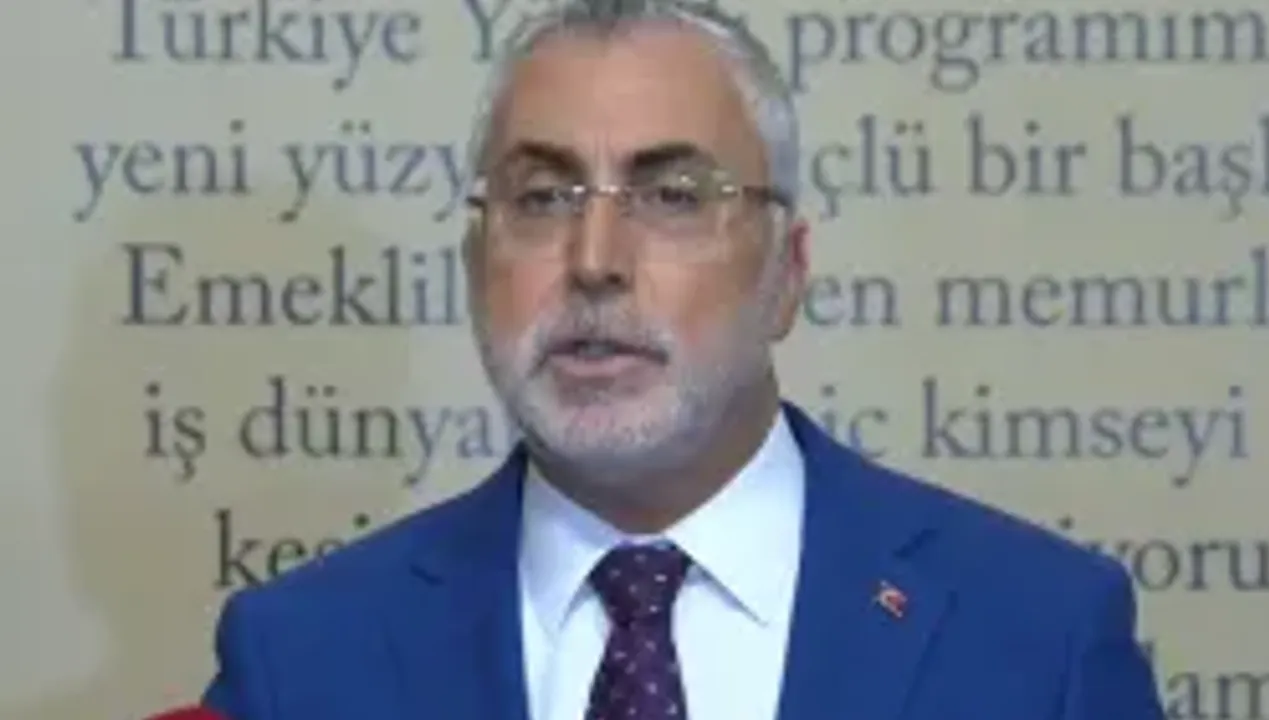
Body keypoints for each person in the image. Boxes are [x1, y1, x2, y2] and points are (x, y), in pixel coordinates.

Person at [201, 1, 1165, 718]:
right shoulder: (303, 659)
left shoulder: (1037, 636)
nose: (594, 262)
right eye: (541, 198)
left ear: (787, 274)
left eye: (672, 197)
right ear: (473, 263)